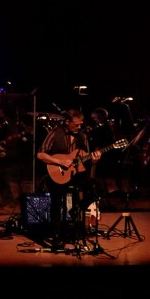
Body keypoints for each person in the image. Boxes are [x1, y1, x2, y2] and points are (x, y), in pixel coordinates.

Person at [36, 108, 101, 251]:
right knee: (57, 204)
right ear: (67, 122)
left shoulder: (82, 137)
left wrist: (94, 160)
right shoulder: (55, 133)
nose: (79, 127)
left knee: (84, 197)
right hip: (56, 175)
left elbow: (86, 159)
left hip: (76, 176)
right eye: (76, 125)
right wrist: (59, 162)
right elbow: (40, 154)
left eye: (80, 124)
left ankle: (74, 233)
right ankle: (56, 236)